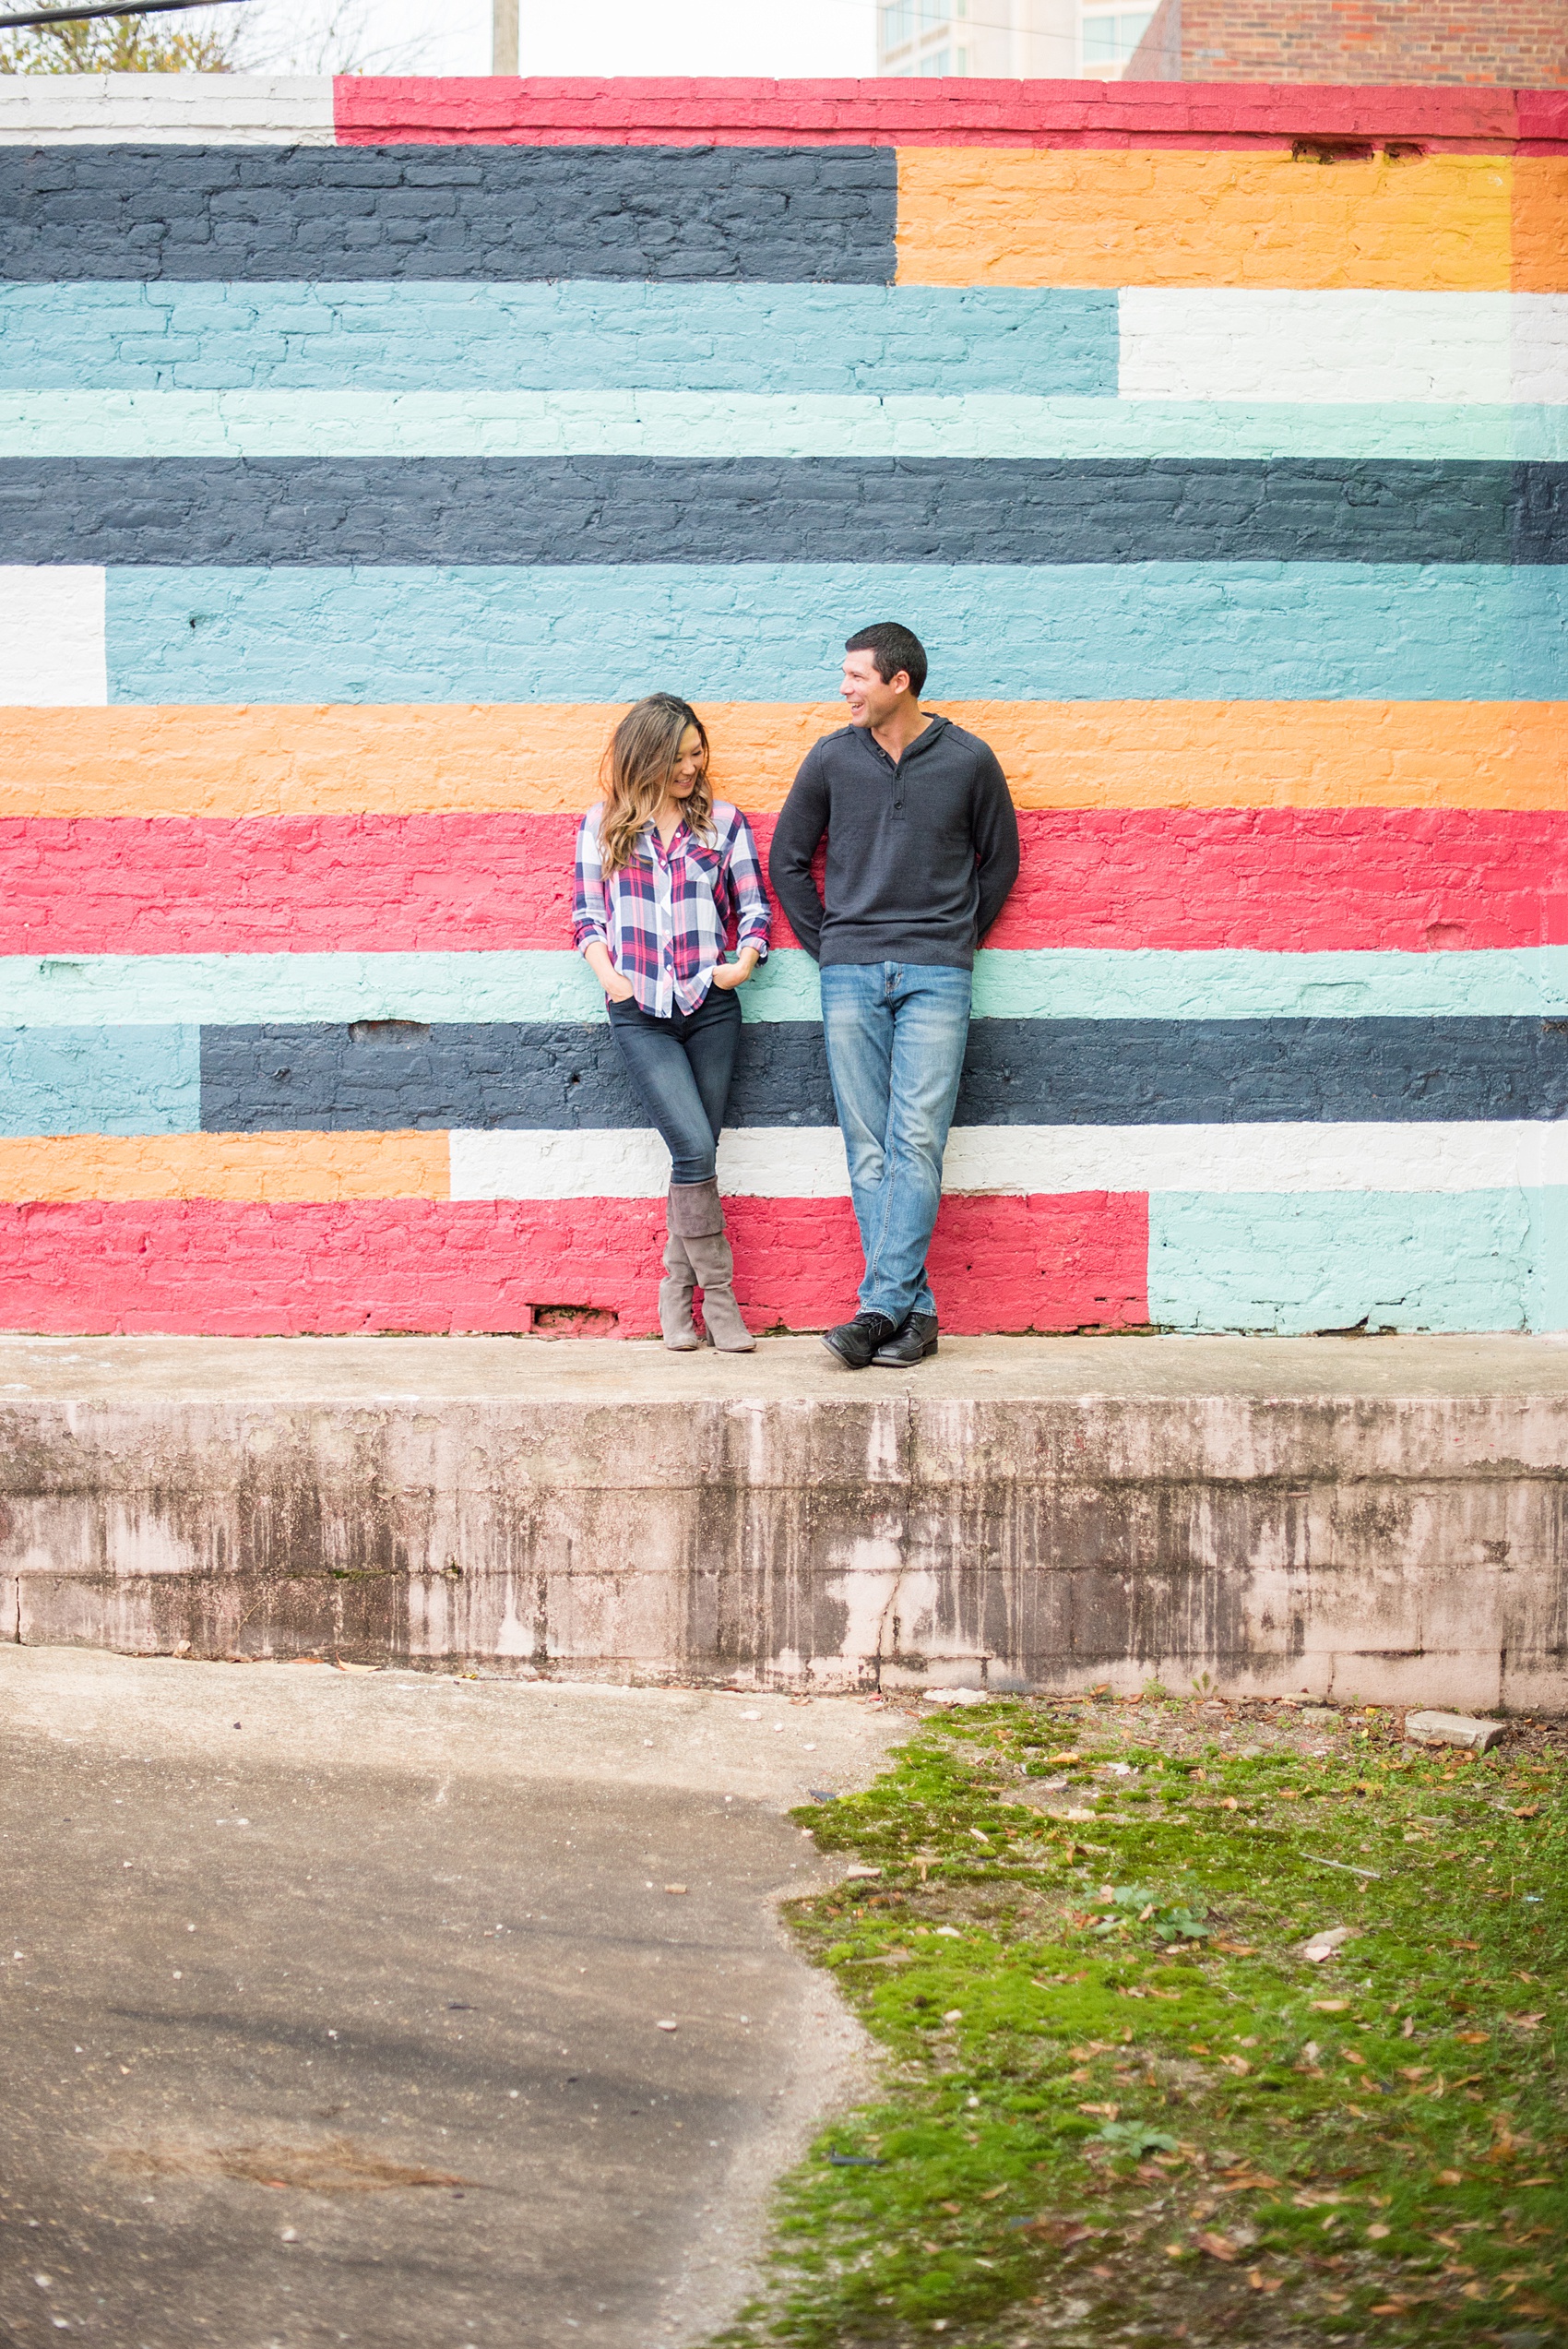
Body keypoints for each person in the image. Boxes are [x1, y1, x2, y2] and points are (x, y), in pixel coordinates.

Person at [768, 624, 1019, 1369]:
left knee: (916, 1139)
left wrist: (952, 941)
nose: (843, 689)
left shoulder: (969, 760)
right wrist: (832, 945)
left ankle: (877, 1310)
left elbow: (999, 862)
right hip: (850, 970)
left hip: (938, 972)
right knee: (869, 1142)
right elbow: (788, 862)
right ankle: (913, 1315)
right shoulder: (831, 759)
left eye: (855, 677)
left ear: (898, 682)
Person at [572, 693, 771, 1353]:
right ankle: (719, 1302)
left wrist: (739, 968)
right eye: (679, 756)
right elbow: (587, 917)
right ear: (647, 756)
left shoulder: (722, 824)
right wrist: (612, 980)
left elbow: (755, 910)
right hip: (640, 1014)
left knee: (698, 1155)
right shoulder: (603, 826)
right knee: (694, 1150)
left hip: (710, 1008)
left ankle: (675, 1295)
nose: (693, 766)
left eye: (697, 753)